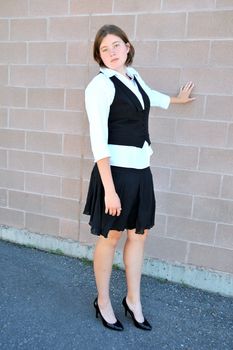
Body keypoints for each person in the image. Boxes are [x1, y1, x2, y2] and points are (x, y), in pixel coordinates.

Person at [83, 24, 195, 331]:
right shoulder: (100, 87)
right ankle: (103, 301)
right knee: (111, 237)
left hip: (141, 171)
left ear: (128, 47)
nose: (112, 52)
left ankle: (133, 300)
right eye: (104, 49)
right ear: (99, 55)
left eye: (116, 45)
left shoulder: (133, 76)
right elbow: (98, 140)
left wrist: (177, 100)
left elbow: (149, 96)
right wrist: (109, 190)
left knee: (138, 235)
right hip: (114, 174)